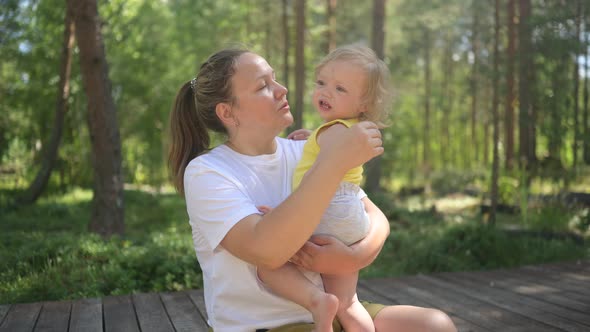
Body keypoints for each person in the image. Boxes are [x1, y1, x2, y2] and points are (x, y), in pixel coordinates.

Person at [168, 48, 457, 332]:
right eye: (263, 86)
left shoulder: (305, 150)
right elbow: (266, 252)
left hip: (334, 312)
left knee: (435, 325)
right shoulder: (208, 172)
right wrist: (335, 160)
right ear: (227, 113)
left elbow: (375, 217)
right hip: (268, 325)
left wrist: (352, 258)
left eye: (276, 79)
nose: (282, 89)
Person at [256, 44, 391, 332]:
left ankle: (317, 301)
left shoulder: (334, 132)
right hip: (350, 215)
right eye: (321, 83)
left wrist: (279, 214)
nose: (325, 92)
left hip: (328, 210)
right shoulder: (340, 129)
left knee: (269, 265)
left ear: (364, 103)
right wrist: (312, 140)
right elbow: (332, 154)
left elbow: (321, 179)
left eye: (340, 89)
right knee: (348, 303)